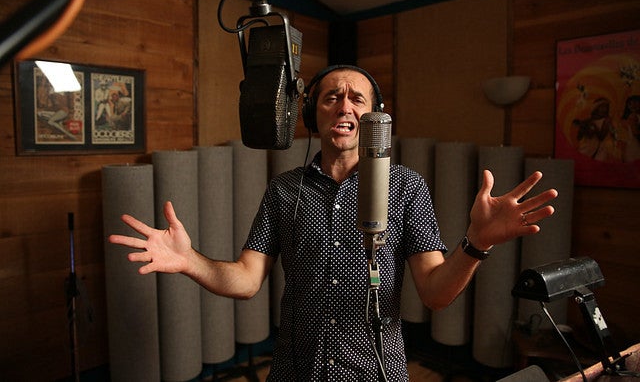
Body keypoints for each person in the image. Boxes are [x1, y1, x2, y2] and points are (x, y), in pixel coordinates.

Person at [109, 65, 558, 381]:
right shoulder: (284, 190)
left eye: (356, 98)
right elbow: (246, 280)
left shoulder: (408, 187)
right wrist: (190, 261)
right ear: (313, 115)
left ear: (374, 118)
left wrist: (477, 243)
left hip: (374, 371)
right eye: (331, 97)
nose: (344, 104)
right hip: (294, 371)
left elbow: (436, 293)